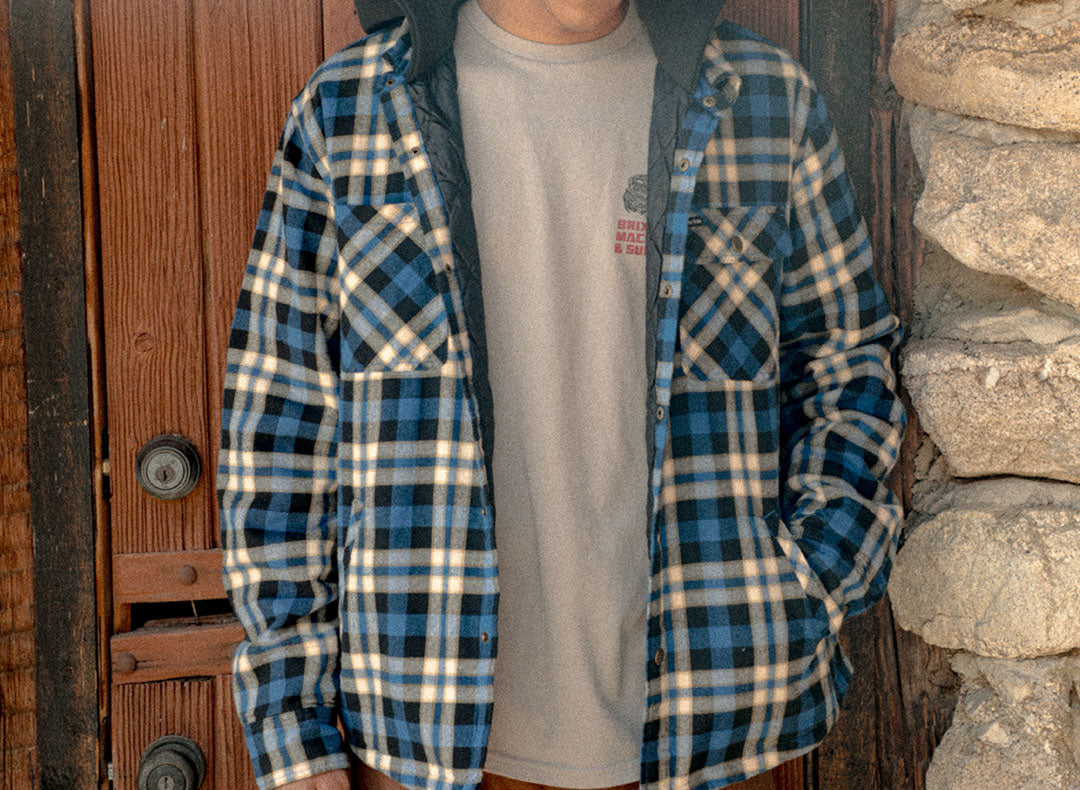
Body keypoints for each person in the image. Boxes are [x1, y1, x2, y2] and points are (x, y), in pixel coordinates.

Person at [216, 1, 907, 789]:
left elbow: (846, 362)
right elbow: (281, 420)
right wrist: (294, 728)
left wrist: (808, 583)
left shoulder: (765, 100)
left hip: (723, 725)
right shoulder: (350, 111)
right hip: (425, 739)